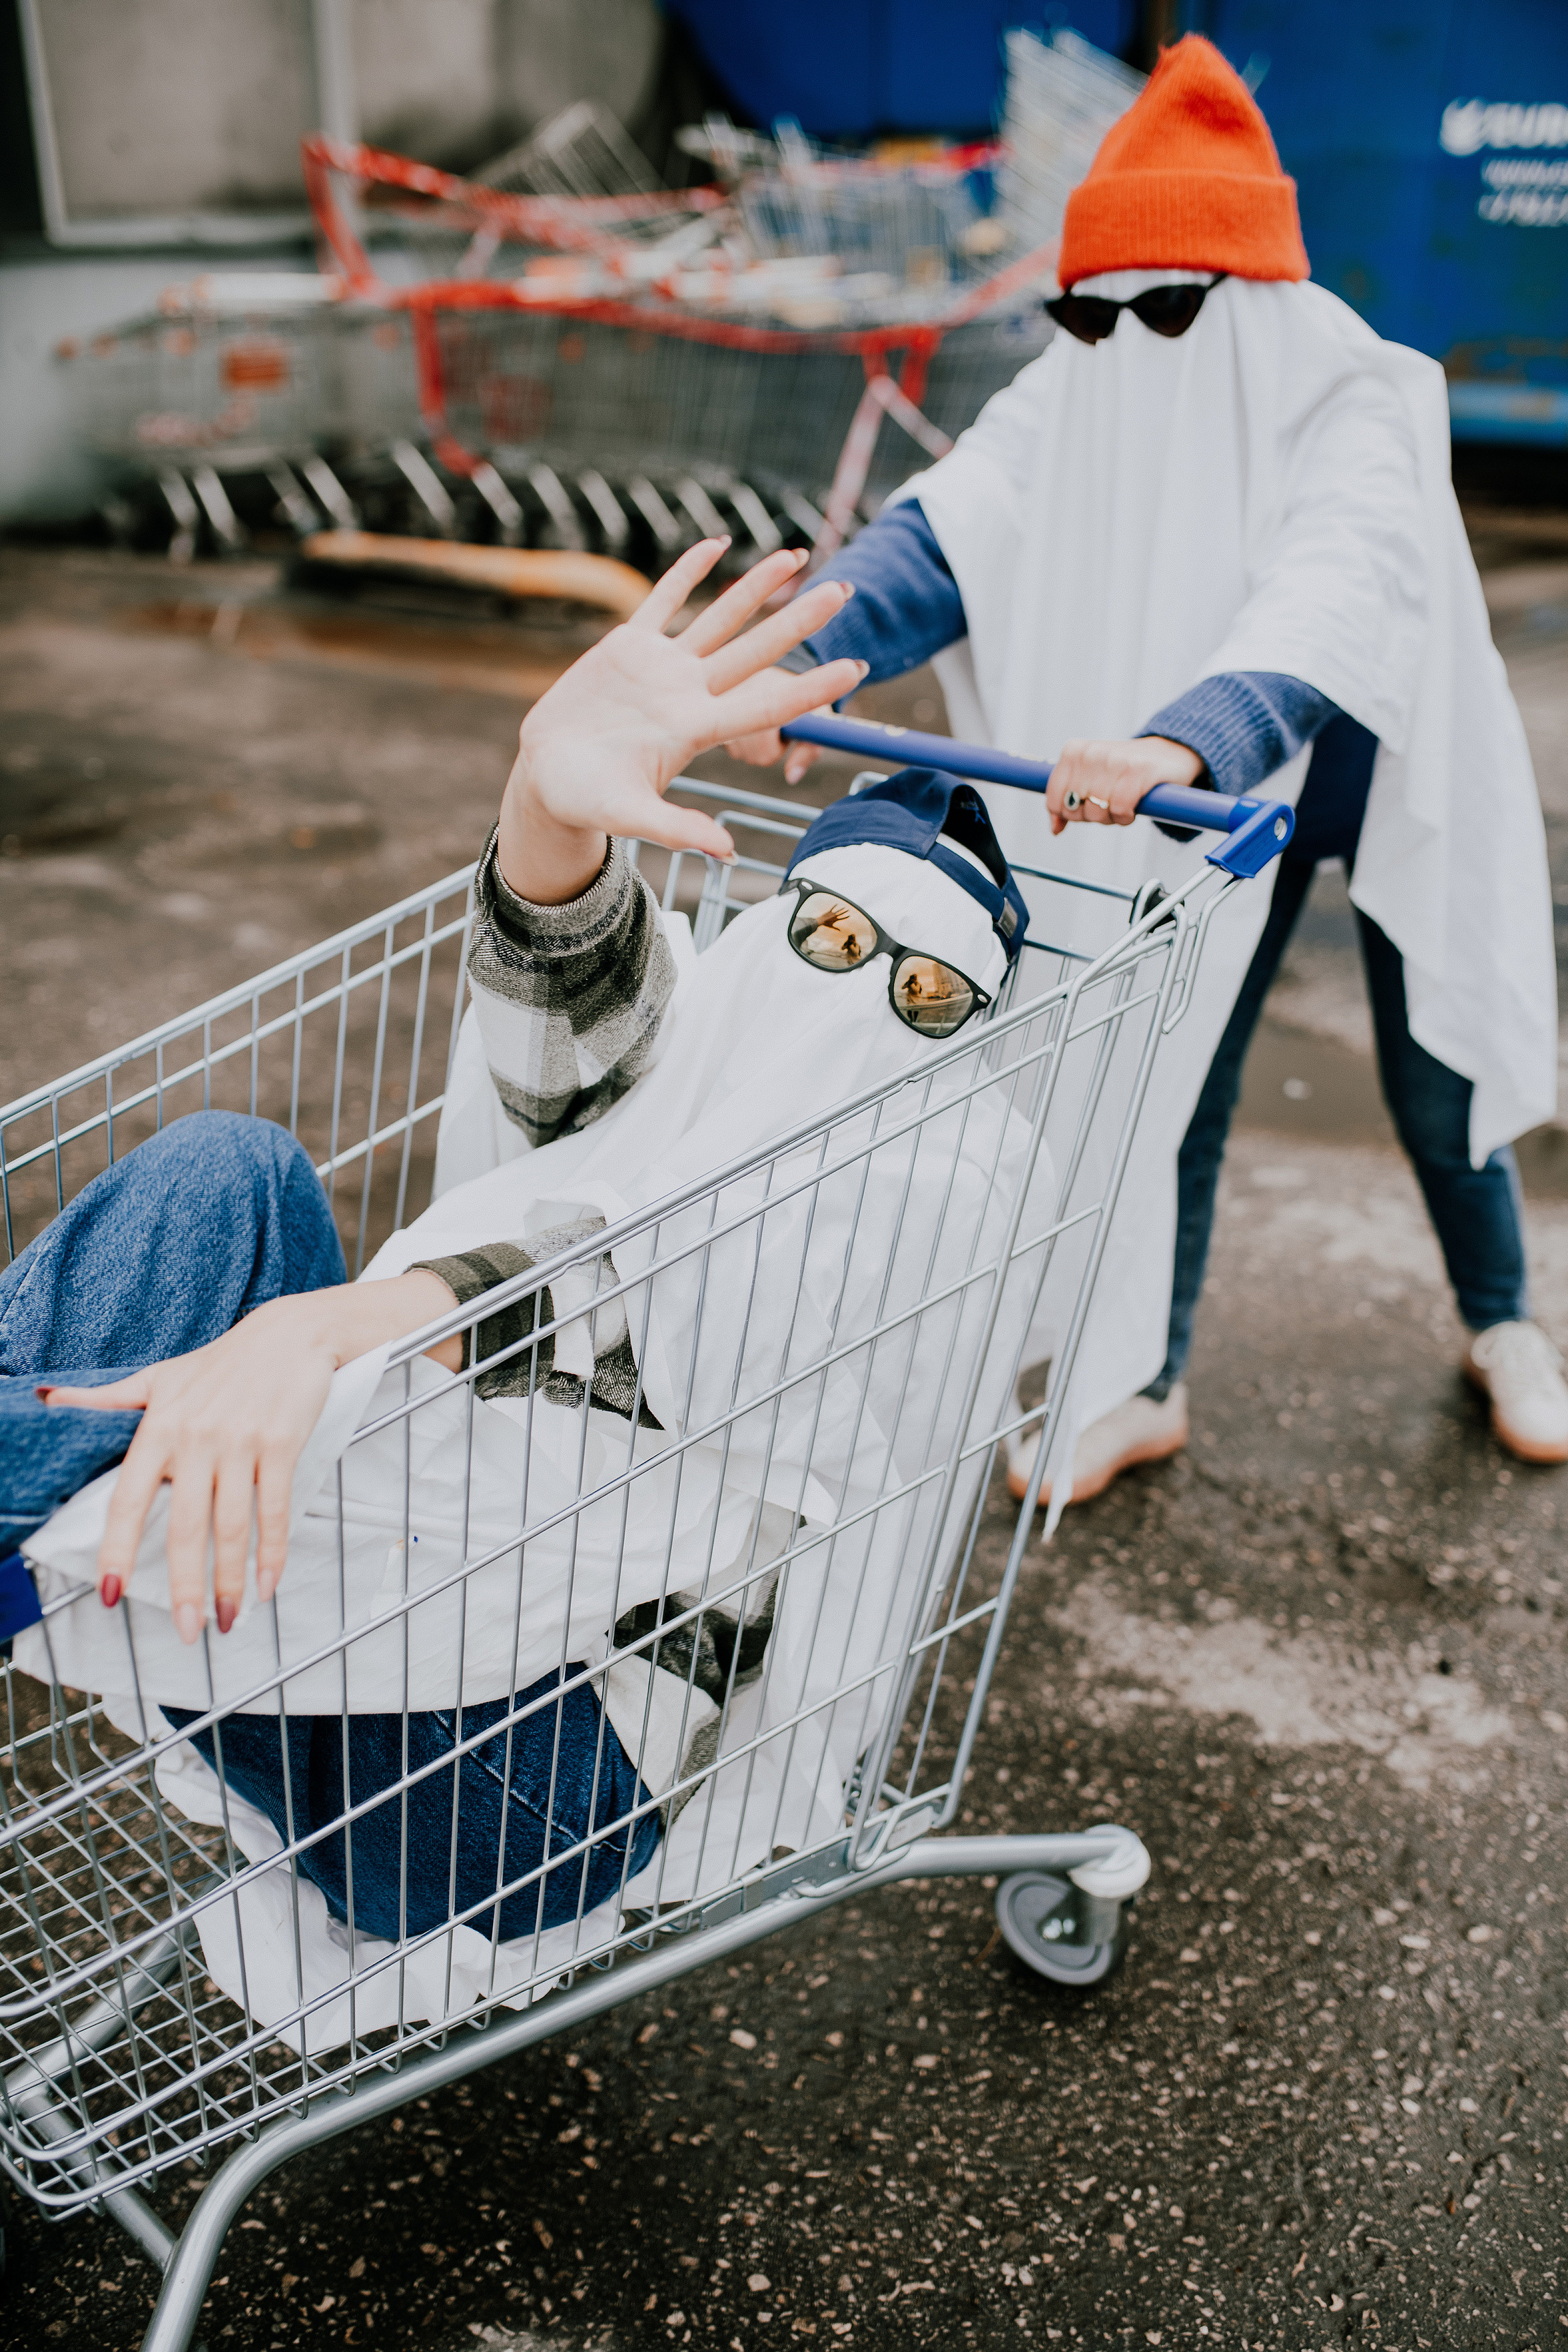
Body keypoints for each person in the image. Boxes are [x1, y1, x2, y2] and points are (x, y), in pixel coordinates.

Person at [4, 537, 1033, 1968]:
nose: (857, 1004)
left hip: (513, 1782)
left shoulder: (932, 1186)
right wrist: (543, 796)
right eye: (836, 938)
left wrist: (343, 1325)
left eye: (925, 993)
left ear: (962, 1038)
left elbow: (700, 1284)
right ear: (768, 932)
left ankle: (28, 1523)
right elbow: (576, 995)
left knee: (333, 1389)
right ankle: (25, 1531)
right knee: (226, 1168)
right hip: (299, 1591)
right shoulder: (680, 1053)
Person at [728, 33, 1564, 1498]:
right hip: (1200, 810)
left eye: (1161, 302)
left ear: (1248, 295)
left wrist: (1192, 735)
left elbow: (1336, 588)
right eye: (1087, 308)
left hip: (1350, 767)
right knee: (1170, 1069)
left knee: (1435, 1070)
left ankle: (1505, 1322)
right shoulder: (1094, 376)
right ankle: (1137, 1380)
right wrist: (802, 657)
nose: (1117, 332)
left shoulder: (1354, 390)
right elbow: (946, 527)